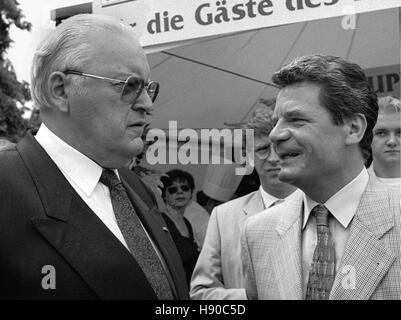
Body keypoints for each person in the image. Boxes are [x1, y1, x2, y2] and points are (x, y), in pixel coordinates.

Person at [0, 14, 189, 300]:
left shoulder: (133, 186)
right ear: (61, 90)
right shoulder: (6, 187)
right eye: (129, 85)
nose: (148, 105)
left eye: (149, 89)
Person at [242, 54, 401, 300]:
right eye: (276, 122)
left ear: (353, 128)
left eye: (295, 119)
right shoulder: (257, 233)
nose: (275, 135)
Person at [190, 106, 297, 300]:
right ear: (249, 157)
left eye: (281, 149)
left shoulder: (322, 208)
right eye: (263, 149)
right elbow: (200, 293)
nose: (273, 158)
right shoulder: (224, 217)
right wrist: (254, 296)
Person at [160, 170, 200, 287]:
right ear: (164, 195)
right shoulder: (161, 221)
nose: (180, 192)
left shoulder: (187, 222)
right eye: (173, 189)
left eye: (185, 188)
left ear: (191, 192)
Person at [368, 95, 400, 189]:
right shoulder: (350, 188)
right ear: (367, 137)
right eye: (381, 133)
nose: (392, 141)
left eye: (400, 132)